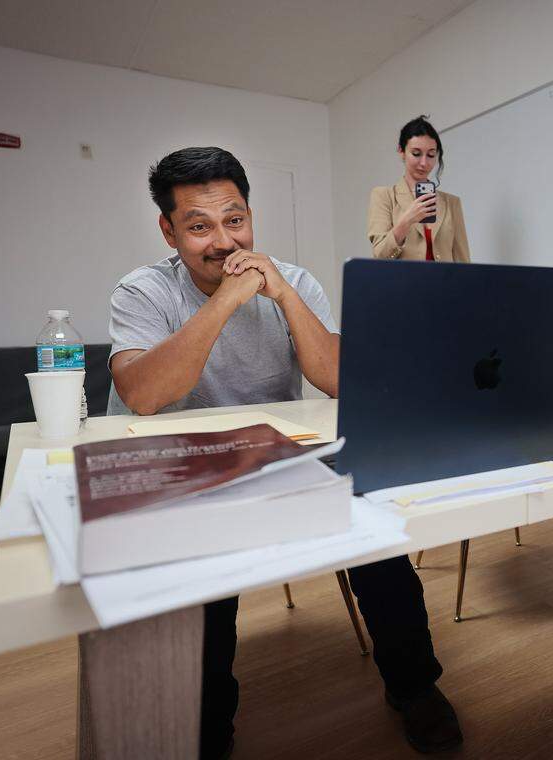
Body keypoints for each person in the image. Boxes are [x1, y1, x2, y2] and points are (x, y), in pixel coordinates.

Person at [107, 147, 463, 758]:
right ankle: (208, 728)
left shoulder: (293, 280)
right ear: (168, 230)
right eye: (199, 226)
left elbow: (337, 380)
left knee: (376, 533)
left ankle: (415, 687)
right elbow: (142, 395)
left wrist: (283, 296)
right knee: (207, 581)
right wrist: (225, 298)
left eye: (235, 220)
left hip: (278, 458)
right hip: (187, 468)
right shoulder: (141, 292)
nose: (223, 241)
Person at [367, 115, 471, 262]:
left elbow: (463, 261)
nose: (424, 163)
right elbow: (380, 255)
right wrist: (406, 220)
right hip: (403, 284)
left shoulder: (451, 203)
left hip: (444, 284)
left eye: (431, 155)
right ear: (401, 151)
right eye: (416, 153)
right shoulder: (384, 196)